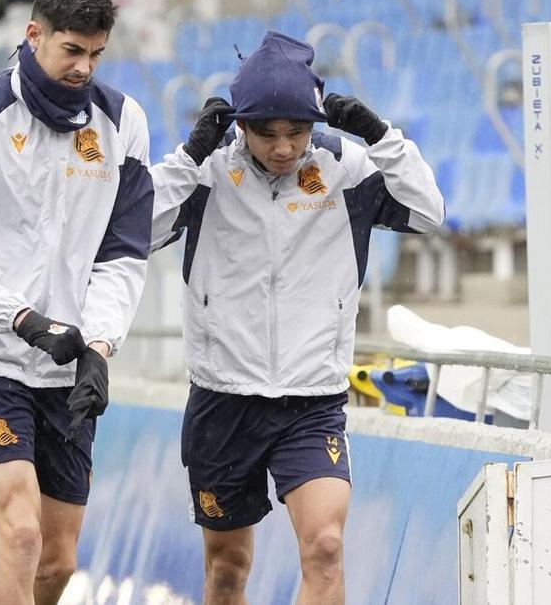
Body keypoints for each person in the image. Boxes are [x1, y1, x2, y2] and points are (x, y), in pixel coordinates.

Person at [154, 31, 445, 604]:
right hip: (223, 400)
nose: (284, 147)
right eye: (268, 133)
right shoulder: (207, 174)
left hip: (311, 402)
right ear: (241, 125)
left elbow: (429, 214)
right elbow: (135, 234)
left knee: (326, 546)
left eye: (298, 132)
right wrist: (188, 157)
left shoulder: (348, 169)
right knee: (228, 569)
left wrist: (382, 136)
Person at [0, 0, 157, 605]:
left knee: (57, 561)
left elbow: (123, 253)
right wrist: (22, 319)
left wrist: (99, 349)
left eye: (96, 54)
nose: (84, 67)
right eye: (71, 50)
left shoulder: (124, 124)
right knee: (20, 537)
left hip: (68, 369)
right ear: (33, 35)